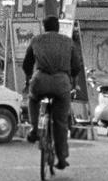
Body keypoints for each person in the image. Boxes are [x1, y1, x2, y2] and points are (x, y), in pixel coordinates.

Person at [21, 16, 85, 170]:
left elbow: (26, 64)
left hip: (40, 80)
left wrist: (28, 79)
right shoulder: (68, 42)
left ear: (44, 27)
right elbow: (77, 66)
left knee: (33, 99)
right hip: (61, 83)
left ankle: (35, 129)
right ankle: (61, 157)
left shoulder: (36, 40)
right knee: (60, 122)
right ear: (58, 28)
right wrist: (73, 80)